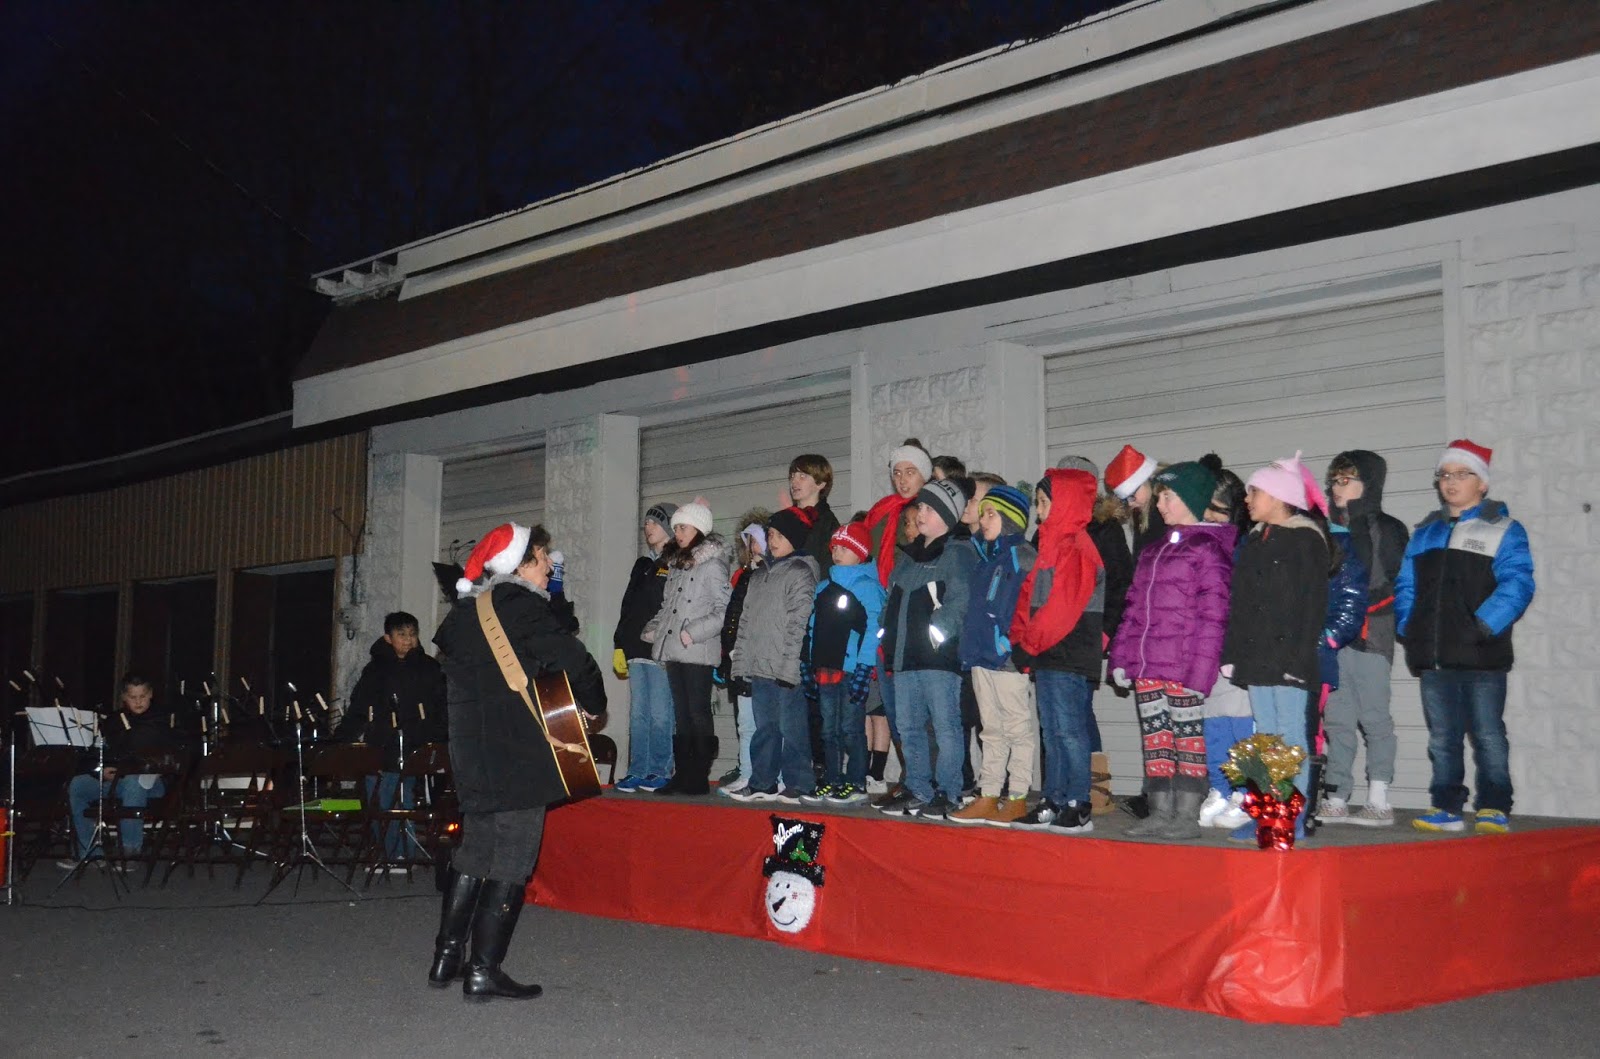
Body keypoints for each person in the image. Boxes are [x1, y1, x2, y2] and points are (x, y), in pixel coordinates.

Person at [430, 522, 607, 1001]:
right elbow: (572, 659)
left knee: (475, 849)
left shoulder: (464, 615)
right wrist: (593, 702)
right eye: (545, 558)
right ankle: (484, 970)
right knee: (512, 857)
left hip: (471, 750)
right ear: (524, 563)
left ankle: (447, 956)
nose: (550, 566)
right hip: (519, 751)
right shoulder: (523, 608)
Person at [1397, 439, 1535, 835]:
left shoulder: (1504, 529)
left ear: (1483, 483)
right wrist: (1410, 626)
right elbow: (1406, 586)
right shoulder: (1425, 533)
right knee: (1443, 737)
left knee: (1488, 733)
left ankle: (1493, 804)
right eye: (1444, 474)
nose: (1451, 482)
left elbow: (1518, 583)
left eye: (1462, 474)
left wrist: (1484, 624)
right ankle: (1447, 806)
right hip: (1436, 656)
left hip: (1481, 653)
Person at [1109, 462, 1235, 839]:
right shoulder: (1154, 550)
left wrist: (1201, 673)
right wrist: (1120, 658)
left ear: (1191, 500)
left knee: (1187, 741)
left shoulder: (1207, 550)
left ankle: (1186, 815)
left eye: (1167, 496)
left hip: (1182, 667)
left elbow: (1214, 618)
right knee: (1156, 740)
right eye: (1159, 496)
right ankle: (1160, 811)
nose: (1159, 504)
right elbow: (1132, 608)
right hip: (1148, 665)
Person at [1221, 452, 1334, 843]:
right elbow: (1240, 604)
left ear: (1278, 496)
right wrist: (1231, 654)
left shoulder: (1305, 540)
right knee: (1264, 736)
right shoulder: (1254, 540)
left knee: (1290, 736)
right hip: (1256, 656)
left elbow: (1311, 606)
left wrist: (1297, 659)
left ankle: (1292, 814)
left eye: (1254, 492)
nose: (1248, 500)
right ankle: (1266, 811)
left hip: (1288, 659)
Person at [1010, 468, 1106, 834]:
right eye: (1037, 502)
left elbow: (1061, 609)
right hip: (1048, 653)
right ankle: (1052, 799)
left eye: (1043, 502)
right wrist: (1020, 639)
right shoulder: (1049, 545)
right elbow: (1027, 598)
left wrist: (1029, 644)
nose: (1038, 510)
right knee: (1051, 731)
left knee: (1068, 730)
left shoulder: (1077, 547)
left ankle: (1078, 802)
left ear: (1064, 503)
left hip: (1068, 652)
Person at [875, 477, 978, 820]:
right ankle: (918, 787)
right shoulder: (908, 558)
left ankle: (950, 791)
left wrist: (938, 634)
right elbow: (892, 602)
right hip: (904, 659)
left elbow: (960, 601)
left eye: (930, 508)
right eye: (920, 506)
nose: (921, 513)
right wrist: (885, 635)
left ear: (948, 517)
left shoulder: (958, 553)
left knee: (946, 727)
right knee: (909, 726)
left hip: (937, 660)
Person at [1318, 450, 1409, 826]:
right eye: (1334, 481)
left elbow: (1390, 582)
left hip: (1371, 635)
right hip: (1334, 637)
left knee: (1374, 716)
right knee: (1337, 718)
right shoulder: (1324, 529)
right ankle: (1336, 795)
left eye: (1345, 481)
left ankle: (1379, 798)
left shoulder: (1386, 528)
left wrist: (1359, 611)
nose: (1337, 488)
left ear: (1367, 485)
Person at [949, 485, 1037, 826]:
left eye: (990, 514)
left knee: (1017, 727)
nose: (983, 520)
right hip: (980, 656)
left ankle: (1016, 795)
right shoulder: (986, 558)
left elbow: (1024, 607)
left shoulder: (1021, 555)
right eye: (982, 513)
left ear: (1011, 520)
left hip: (1008, 659)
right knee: (991, 729)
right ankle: (988, 794)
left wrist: (1007, 643)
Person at [334, 611, 448, 863]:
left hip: (413, 741)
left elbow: (441, 706)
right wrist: (342, 739)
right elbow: (359, 707)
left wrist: (433, 734)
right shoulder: (375, 670)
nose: (408, 640)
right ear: (388, 637)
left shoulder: (428, 668)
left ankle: (401, 853)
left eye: (412, 634)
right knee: (376, 798)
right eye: (401, 635)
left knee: (398, 796)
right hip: (379, 740)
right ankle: (385, 850)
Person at [728, 506, 820, 803]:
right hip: (760, 666)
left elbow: (799, 623)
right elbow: (745, 622)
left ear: (794, 538)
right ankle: (762, 782)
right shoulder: (758, 576)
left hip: (784, 667)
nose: (773, 539)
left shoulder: (801, 573)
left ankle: (800, 783)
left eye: (779, 535)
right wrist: (741, 661)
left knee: (791, 728)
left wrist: (789, 664)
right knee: (764, 729)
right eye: (770, 534)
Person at [641, 499, 733, 796]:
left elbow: (724, 609)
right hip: (675, 649)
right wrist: (655, 629)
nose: (677, 532)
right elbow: (669, 606)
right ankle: (682, 773)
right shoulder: (678, 565)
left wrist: (692, 632)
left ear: (699, 529)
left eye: (683, 527)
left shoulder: (714, 565)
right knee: (682, 714)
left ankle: (698, 774)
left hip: (697, 649)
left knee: (697, 712)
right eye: (676, 527)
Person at [801, 520, 886, 806]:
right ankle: (833, 779)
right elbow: (812, 626)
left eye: (844, 548)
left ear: (860, 552)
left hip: (851, 671)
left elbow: (875, 627)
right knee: (828, 729)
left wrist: (864, 666)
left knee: (851, 728)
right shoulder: (824, 587)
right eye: (834, 547)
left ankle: (857, 782)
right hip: (825, 669)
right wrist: (808, 662)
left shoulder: (867, 587)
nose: (836, 552)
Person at [63, 673, 182, 866]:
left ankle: (130, 851)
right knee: (78, 786)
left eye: (142, 696)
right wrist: (100, 772)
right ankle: (91, 851)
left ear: (150, 694)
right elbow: (98, 753)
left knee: (134, 783)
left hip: (152, 782)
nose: (138, 701)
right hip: (117, 779)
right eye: (133, 697)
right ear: (124, 698)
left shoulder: (163, 720)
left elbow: (170, 756)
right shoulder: (114, 720)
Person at [1196, 457, 1255, 830]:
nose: (1209, 516)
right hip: (1205, 647)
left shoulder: (1243, 546)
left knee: (1239, 721)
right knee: (1211, 722)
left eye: (1217, 509)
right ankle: (1220, 787)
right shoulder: (1197, 543)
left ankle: (1245, 792)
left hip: (1234, 648)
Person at [611, 502, 677, 793]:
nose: (647, 527)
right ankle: (638, 769)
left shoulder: (676, 562)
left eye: (654, 521)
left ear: (669, 527)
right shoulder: (642, 565)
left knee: (661, 713)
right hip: (636, 650)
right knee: (639, 714)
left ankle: (661, 769)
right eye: (646, 522)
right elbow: (628, 606)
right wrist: (619, 643)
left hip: (660, 649)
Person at [715, 509, 770, 796]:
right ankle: (747, 773)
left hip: (759, 661)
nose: (752, 546)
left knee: (765, 723)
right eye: (747, 540)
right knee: (745, 722)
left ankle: (768, 776)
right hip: (739, 659)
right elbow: (732, 616)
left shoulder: (771, 575)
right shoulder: (745, 576)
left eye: (757, 539)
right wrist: (726, 655)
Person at [784, 454, 841, 577]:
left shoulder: (827, 523)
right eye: (792, 476)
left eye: (802, 476)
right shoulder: (783, 520)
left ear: (820, 483)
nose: (794, 481)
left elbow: (828, 568)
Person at [1105, 443, 1165, 555]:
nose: (1130, 503)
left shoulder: (1164, 511)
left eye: (1132, 495)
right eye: (1125, 500)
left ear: (1145, 482)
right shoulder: (1141, 513)